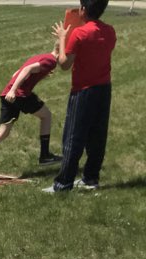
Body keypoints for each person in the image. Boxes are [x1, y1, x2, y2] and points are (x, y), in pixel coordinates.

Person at [46, 0, 116, 193]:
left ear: (83, 10)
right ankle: (90, 179)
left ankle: (63, 185)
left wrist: (62, 37)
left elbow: (64, 64)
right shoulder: (110, 31)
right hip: (104, 90)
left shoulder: (80, 33)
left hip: (83, 91)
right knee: (97, 136)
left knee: (73, 137)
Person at [0, 43, 63, 181]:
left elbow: (16, 73)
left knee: (3, 132)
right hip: (19, 95)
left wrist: (12, 89)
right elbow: (27, 70)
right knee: (46, 115)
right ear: (61, 51)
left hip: (7, 95)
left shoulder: (41, 56)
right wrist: (14, 90)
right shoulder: (52, 60)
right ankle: (45, 155)